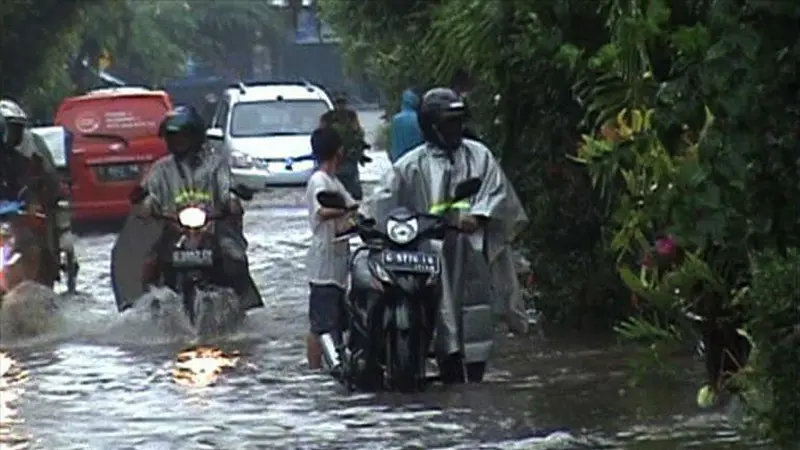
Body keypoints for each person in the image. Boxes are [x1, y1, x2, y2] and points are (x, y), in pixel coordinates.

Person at [366, 87, 530, 374]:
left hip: (470, 253)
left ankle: (472, 375)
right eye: (448, 123)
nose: (455, 129)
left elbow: (497, 192)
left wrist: (478, 216)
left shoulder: (479, 156)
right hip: (428, 253)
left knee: (474, 318)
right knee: (430, 309)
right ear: (432, 127)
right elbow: (382, 201)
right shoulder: (411, 165)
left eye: (457, 122)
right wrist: (368, 222)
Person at [116, 105, 263, 312]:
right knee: (145, 259)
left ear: (195, 136)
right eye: (172, 137)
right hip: (172, 230)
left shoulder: (215, 165)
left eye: (182, 136)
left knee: (234, 256)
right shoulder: (160, 168)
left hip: (212, 229)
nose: (177, 142)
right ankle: (141, 307)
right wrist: (146, 205)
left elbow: (227, 189)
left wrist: (232, 201)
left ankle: (244, 304)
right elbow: (149, 192)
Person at [304, 126, 357, 370]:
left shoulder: (333, 181)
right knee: (321, 325)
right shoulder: (319, 181)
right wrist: (346, 210)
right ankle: (315, 370)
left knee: (336, 321)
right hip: (323, 263)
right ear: (339, 151)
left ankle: (335, 365)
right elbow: (322, 211)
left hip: (337, 262)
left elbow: (353, 206)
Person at [0, 99, 63, 288]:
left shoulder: (20, 159)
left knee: (35, 249)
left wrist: (30, 203)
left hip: (14, 222)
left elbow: (32, 185)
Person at [318, 92, 370, 200]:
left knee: (354, 192)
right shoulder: (327, 118)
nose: (340, 106)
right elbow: (320, 136)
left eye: (342, 102)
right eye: (338, 103)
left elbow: (358, 133)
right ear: (334, 103)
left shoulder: (351, 116)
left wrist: (359, 151)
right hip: (333, 158)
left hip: (349, 158)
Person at [388, 89, 424, 162]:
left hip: (398, 160)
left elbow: (391, 143)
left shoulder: (395, 119)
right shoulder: (418, 118)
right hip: (415, 160)